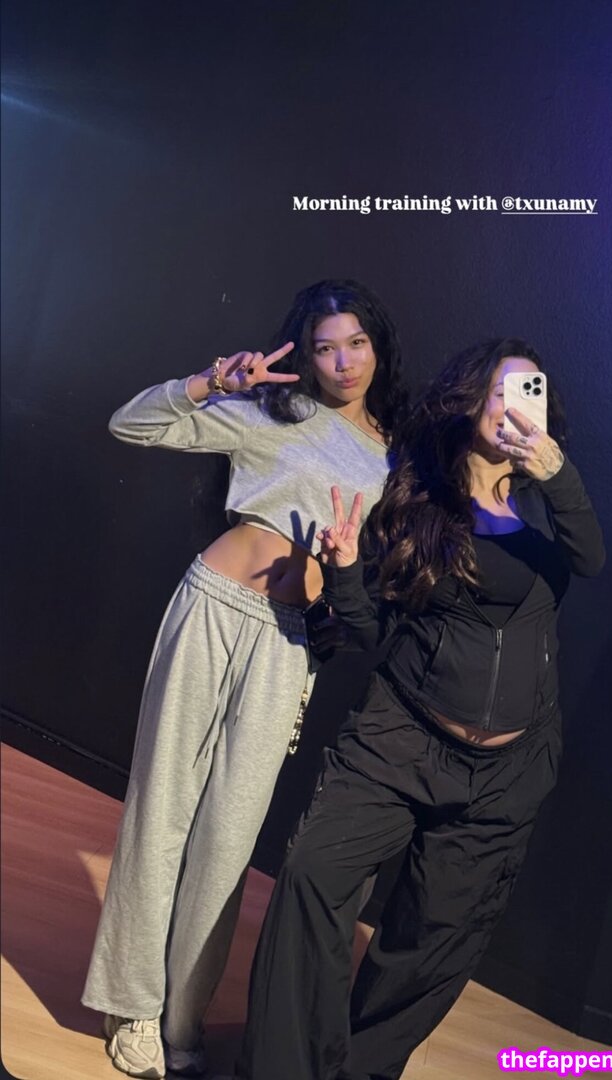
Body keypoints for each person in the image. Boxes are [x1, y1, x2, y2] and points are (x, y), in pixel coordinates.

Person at [238, 338, 605, 1080]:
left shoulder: (546, 515)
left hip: (507, 774)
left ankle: (360, 1070)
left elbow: (591, 559)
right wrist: (345, 572)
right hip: (400, 740)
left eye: (528, 392)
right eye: (500, 391)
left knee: (433, 943)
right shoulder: (416, 501)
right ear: (470, 402)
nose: (514, 407)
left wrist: (555, 472)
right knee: (311, 874)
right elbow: (369, 632)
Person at [81, 279, 407, 1079]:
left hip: (288, 643)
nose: (343, 361)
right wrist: (207, 383)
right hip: (212, 608)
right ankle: (134, 1006)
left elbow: (372, 584)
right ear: (307, 353)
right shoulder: (272, 412)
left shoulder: (395, 457)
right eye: (325, 346)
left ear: (377, 347)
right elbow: (131, 424)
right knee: (163, 807)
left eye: (356, 343)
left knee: (228, 838)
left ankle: (182, 1016)